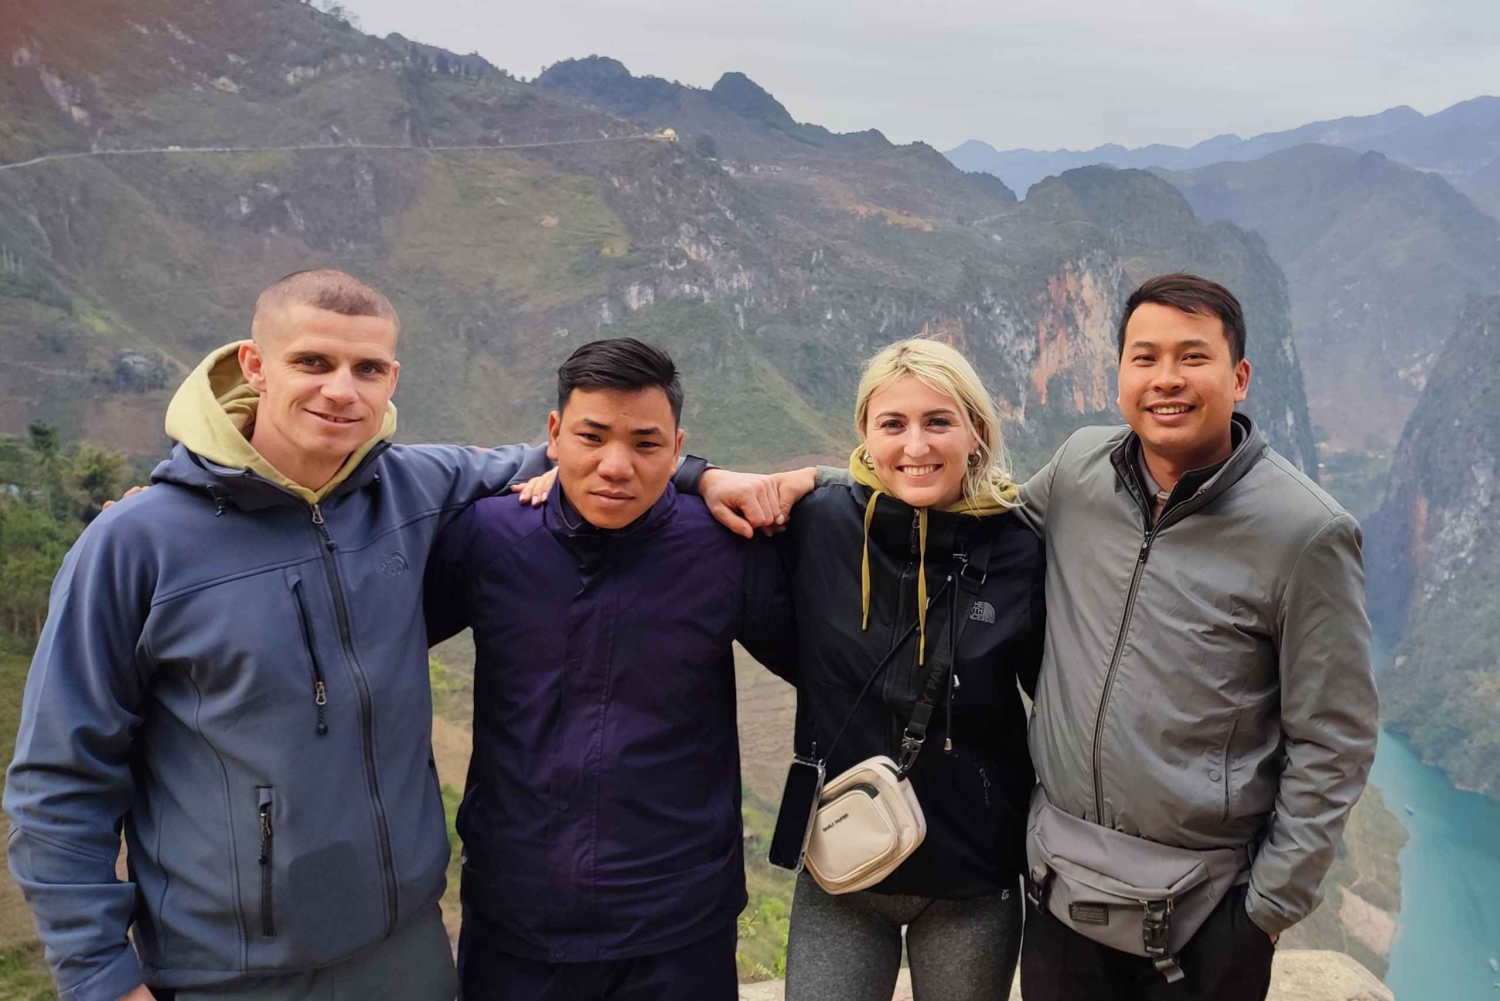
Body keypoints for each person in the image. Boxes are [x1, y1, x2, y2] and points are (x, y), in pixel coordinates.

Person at [4, 270, 773, 1001]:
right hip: (230, 968)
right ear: (254, 365)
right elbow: (62, 776)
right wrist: (100, 975)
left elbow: (594, 455)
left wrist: (703, 475)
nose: (341, 389)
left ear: (392, 379)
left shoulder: (414, 489)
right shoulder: (137, 543)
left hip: (405, 949)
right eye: (313, 361)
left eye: (367, 368)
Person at [1015, 274, 1379, 1001]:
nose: (1166, 379)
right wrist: (829, 484)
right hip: (1061, 891)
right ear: (1119, 373)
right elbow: (968, 528)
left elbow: (1335, 737)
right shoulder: (1076, 471)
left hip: (1206, 918)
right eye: (1144, 357)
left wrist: (1264, 913)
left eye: (1192, 356)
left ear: (1238, 377)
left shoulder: (1305, 532)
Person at [422, 337, 800, 1001]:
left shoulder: (724, 549)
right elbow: (374, 651)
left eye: (646, 444)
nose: (615, 466)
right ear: (553, 434)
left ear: (677, 448)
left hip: (679, 924)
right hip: (517, 917)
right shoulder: (489, 537)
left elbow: (826, 667)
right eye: (591, 438)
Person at [772, 339, 1045, 1001]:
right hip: (842, 864)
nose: (915, 445)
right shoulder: (817, 524)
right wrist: (698, 476)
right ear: (865, 433)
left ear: (976, 432)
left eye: (938, 421)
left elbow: (1063, 692)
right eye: (893, 423)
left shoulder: (1021, 546)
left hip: (972, 876)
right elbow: (671, 510)